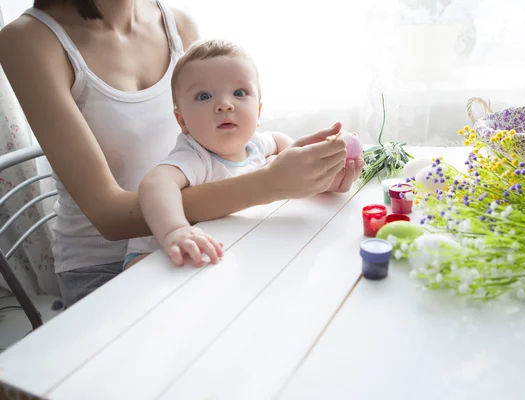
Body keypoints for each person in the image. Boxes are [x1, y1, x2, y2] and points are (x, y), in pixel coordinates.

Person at [0, 0, 364, 306]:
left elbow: (214, 147)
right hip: (110, 267)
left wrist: (307, 171)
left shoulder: (178, 23)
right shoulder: (29, 40)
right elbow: (111, 217)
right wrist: (271, 183)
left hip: (203, 235)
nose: (225, 104)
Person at [125, 39, 296, 269]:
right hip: (153, 255)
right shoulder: (195, 156)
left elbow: (281, 141)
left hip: (217, 246)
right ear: (182, 120)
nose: (225, 105)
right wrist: (175, 230)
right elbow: (155, 183)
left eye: (239, 92)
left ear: (258, 111)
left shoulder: (255, 145)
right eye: (204, 96)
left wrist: (310, 160)